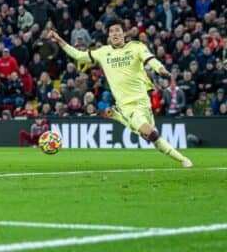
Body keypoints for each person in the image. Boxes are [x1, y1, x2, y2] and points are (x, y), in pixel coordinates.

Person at [49, 18, 193, 168]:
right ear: (109, 36)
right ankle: (183, 160)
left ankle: (118, 117)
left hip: (144, 101)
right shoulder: (103, 52)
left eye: (117, 30)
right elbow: (79, 55)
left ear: (124, 33)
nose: (115, 33)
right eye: (111, 31)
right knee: (151, 133)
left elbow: (150, 59)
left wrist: (160, 69)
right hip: (127, 105)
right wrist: (60, 41)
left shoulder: (136, 47)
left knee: (150, 137)